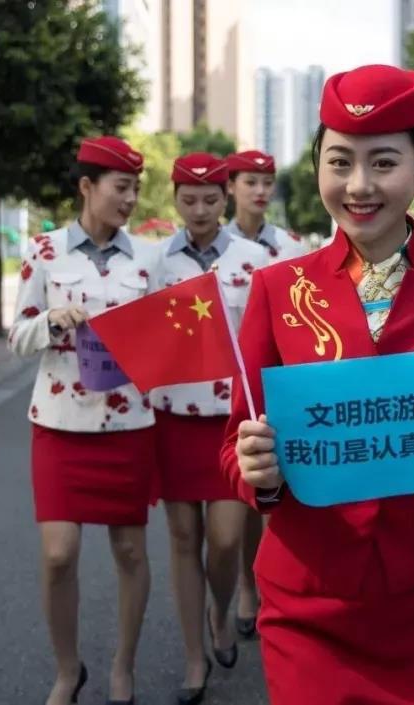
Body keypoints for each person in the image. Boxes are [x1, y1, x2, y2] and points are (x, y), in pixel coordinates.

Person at [220, 64, 414, 705]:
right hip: (309, 598)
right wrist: (257, 472)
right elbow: (233, 449)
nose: (359, 185)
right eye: (340, 162)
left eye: (383, 163)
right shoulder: (277, 290)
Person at [8, 135, 161, 705]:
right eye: (121, 188)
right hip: (58, 423)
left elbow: (167, 333)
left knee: (130, 552)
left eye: (135, 189)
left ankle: (124, 666)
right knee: (58, 555)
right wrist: (51, 319)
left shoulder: (149, 257)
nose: (130, 199)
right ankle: (68, 670)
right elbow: (16, 337)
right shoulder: (44, 252)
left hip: (128, 427)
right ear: (87, 187)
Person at [151, 152, 271, 704]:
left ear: (225, 198)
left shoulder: (256, 260)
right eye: (188, 199)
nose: (199, 210)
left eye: (209, 199)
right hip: (172, 415)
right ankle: (194, 657)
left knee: (224, 540)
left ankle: (220, 610)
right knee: (183, 539)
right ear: (175, 199)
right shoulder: (154, 261)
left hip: (232, 420)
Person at [222, 149, 308, 636]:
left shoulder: (291, 248)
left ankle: (268, 588)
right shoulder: (216, 246)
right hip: (222, 386)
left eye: (267, 182)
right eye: (250, 181)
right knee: (241, 498)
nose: (260, 191)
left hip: (278, 383)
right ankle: (244, 587)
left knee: (275, 490)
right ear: (230, 186)